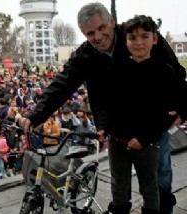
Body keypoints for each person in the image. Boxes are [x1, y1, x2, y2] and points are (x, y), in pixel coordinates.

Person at [18, 2, 186, 213]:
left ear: (112, 23)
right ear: (83, 34)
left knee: (157, 175)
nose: (98, 37)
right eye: (90, 33)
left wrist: (180, 107)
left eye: (101, 28)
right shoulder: (86, 55)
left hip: (150, 123)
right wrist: (36, 114)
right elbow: (62, 83)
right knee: (119, 183)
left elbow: (176, 72)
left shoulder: (138, 35)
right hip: (118, 127)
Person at [97, 15, 180, 214]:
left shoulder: (164, 72)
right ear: (126, 41)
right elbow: (106, 103)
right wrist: (103, 127)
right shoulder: (116, 69)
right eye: (133, 37)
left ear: (155, 39)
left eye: (144, 36)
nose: (138, 42)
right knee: (118, 184)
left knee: (149, 186)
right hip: (117, 140)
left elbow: (168, 114)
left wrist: (143, 138)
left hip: (147, 142)